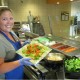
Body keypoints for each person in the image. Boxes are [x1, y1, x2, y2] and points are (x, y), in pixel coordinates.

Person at [0, 7, 33, 79]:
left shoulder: (11, 32)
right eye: (4, 19)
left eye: (11, 18)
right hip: (7, 76)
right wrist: (20, 62)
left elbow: (14, 44)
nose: (9, 22)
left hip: (17, 73)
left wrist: (24, 44)